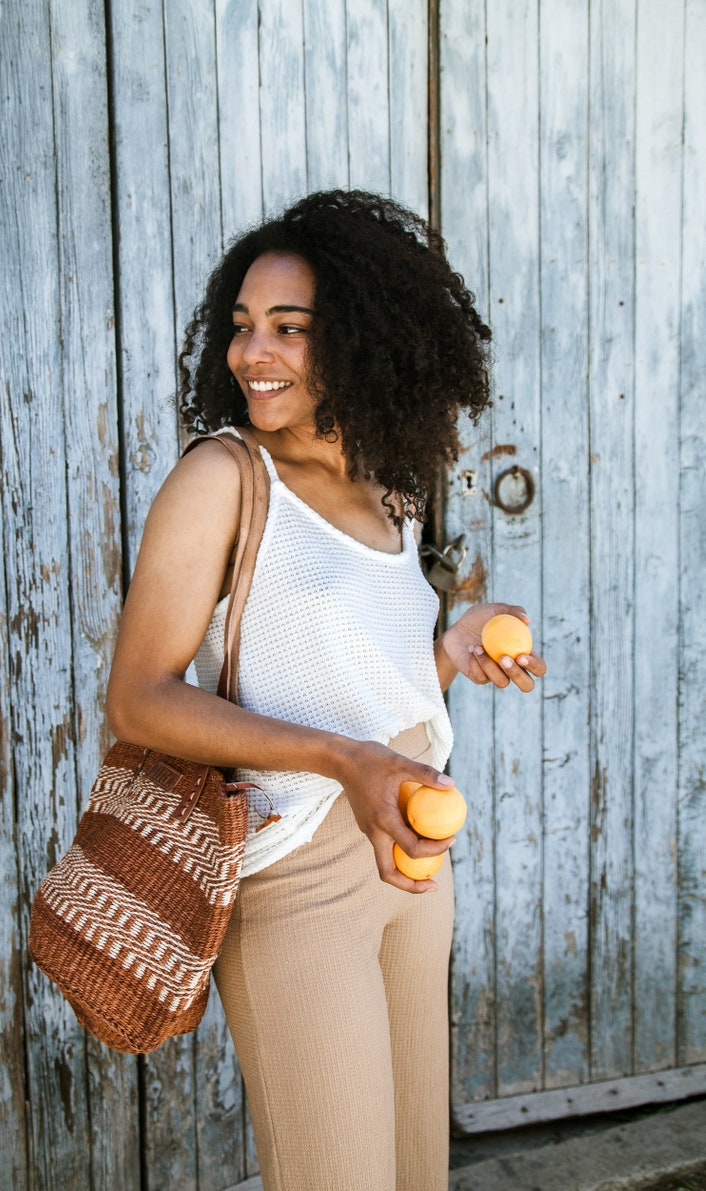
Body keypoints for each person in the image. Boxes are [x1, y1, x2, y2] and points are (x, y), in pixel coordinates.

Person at [106, 190, 546, 1191]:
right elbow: (137, 699)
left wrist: (453, 647)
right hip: (291, 879)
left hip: (408, 865)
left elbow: (359, 682)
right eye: (242, 326)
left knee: (413, 1177)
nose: (251, 353)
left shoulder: (389, 486)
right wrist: (342, 760)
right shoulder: (223, 479)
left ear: (361, 338)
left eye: (288, 329)